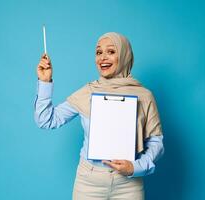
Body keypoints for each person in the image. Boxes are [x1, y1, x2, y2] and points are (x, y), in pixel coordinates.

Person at [34, 32, 164, 200]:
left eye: (111, 52)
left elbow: (156, 142)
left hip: (129, 184)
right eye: (98, 52)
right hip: (89, 181)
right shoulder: (87, 92)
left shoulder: (144, 96)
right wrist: (44, 82)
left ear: (124, 55)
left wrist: (135, 167)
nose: (103, 57)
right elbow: (46, 120)